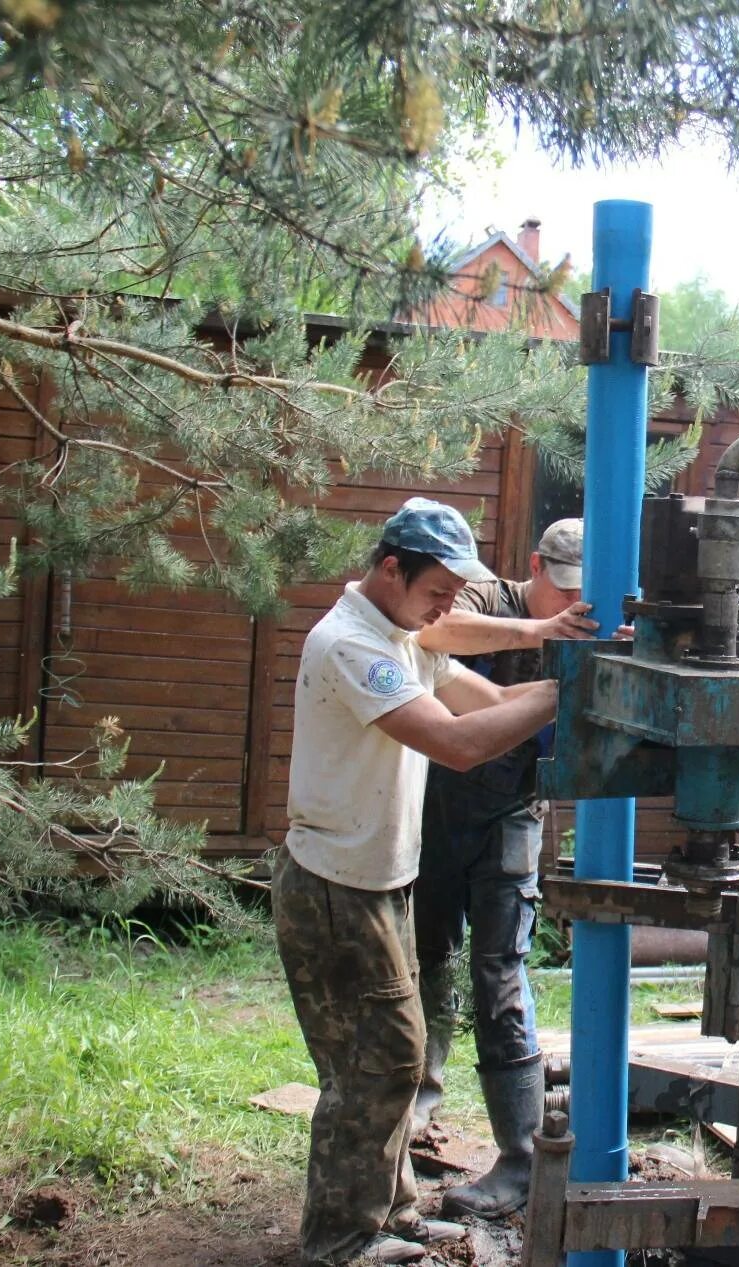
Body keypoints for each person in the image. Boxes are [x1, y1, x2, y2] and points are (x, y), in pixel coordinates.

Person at [274, 497, 560, 1267]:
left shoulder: (401, 637)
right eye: (438, 590)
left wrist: (567, 677)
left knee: (387, 1060)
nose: (446, 607)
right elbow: (460, 743)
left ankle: (389, 1209)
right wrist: (566, 692)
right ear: (391, 569)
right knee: (380, 1061)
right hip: (337, 887)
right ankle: (338, 1238)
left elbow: (496, 700)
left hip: (380, 879)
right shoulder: (350, 646)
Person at [408, 518, 596, 1220]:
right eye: (560, 586)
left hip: (513, 808)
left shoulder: (586, 619)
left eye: (579, 591)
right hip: (435, 802)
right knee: (426, 955)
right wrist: (534, 635)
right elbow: (434, 632)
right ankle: (417, 1109)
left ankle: (520, 1156)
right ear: (533, 565)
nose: (566, 601)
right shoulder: (487, 595)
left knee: (499, 969)